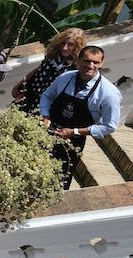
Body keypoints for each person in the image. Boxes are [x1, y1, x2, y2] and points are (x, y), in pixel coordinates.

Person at [40, 44, 122, 189]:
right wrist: (45, 116)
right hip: (48, 131)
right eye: (86, 61)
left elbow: (110, 126)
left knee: (59, 179)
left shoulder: (109, 93)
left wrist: (74, 132)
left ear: (101, 64)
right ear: (78, 60)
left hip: (73, 140)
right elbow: (47, 96)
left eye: (95, 62)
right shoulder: (65, 77)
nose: (90, 66)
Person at [13, 27, 86, 117]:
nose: (64, 47)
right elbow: (37, 71)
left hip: (45, 105)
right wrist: (18, 86)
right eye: (63, 43)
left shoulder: (74, 68)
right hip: (29, 94)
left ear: (77, 47)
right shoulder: (52, 56)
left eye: (70, 45)